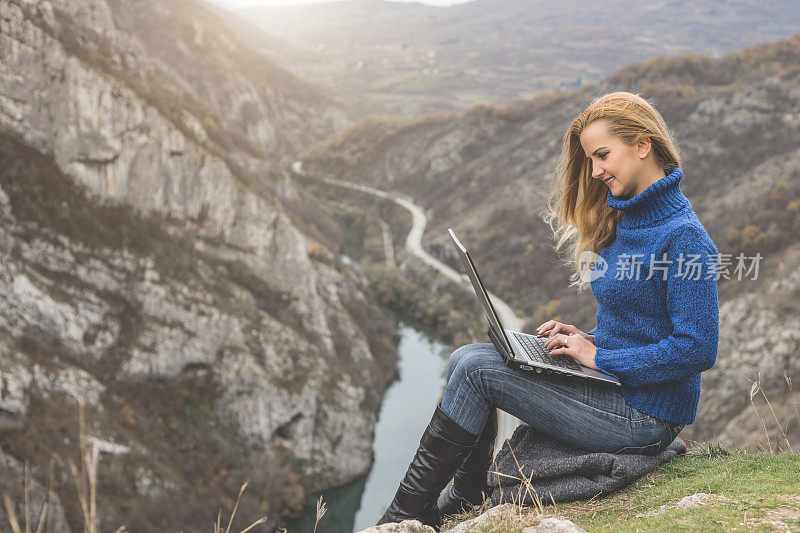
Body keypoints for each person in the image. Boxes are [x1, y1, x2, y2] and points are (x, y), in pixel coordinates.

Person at [375, 91, 720, 530]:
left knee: (477, 370)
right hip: (619, 387)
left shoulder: (683, 238)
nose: (595, 172)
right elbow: (639, 322)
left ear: (642, 144)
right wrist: (584, 340)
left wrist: (599, 358)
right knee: (465, 357)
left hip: (647, 415)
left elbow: (698, 349)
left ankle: (410, 512)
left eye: (602, 155)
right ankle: (456, 497)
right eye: (590, 160)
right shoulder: (629, 220)